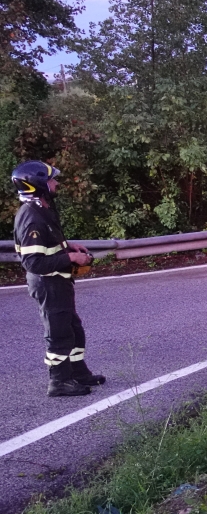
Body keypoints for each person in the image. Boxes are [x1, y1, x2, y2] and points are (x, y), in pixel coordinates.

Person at [12, 161, 105, 397]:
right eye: (52, 180)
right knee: (58, 332)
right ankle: (59, 382)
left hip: (58, 281)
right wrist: (71, 257)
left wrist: (67, 245)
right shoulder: (32, 217)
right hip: (47, 282)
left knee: (73, 328)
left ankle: (78, 373)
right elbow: (33, 262)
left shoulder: (42, 208)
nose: (56, 183)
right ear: (38, 184)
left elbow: (46, 246)